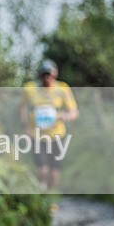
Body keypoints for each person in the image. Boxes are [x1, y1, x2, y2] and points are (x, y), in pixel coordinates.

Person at [20, 59, 78, 192]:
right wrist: (25, 126)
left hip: (57, 135)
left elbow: (74, 111)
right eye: (44, 74)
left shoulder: (62, 89)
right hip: (37, 135)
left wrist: (66, 116)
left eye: (49, 74)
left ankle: (51, 196)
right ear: (39, 75)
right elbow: (22, 107)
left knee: (54, 170)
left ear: (55, 75)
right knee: (42, 169)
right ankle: (40, 192)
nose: (47, 78)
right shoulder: (30, 89)